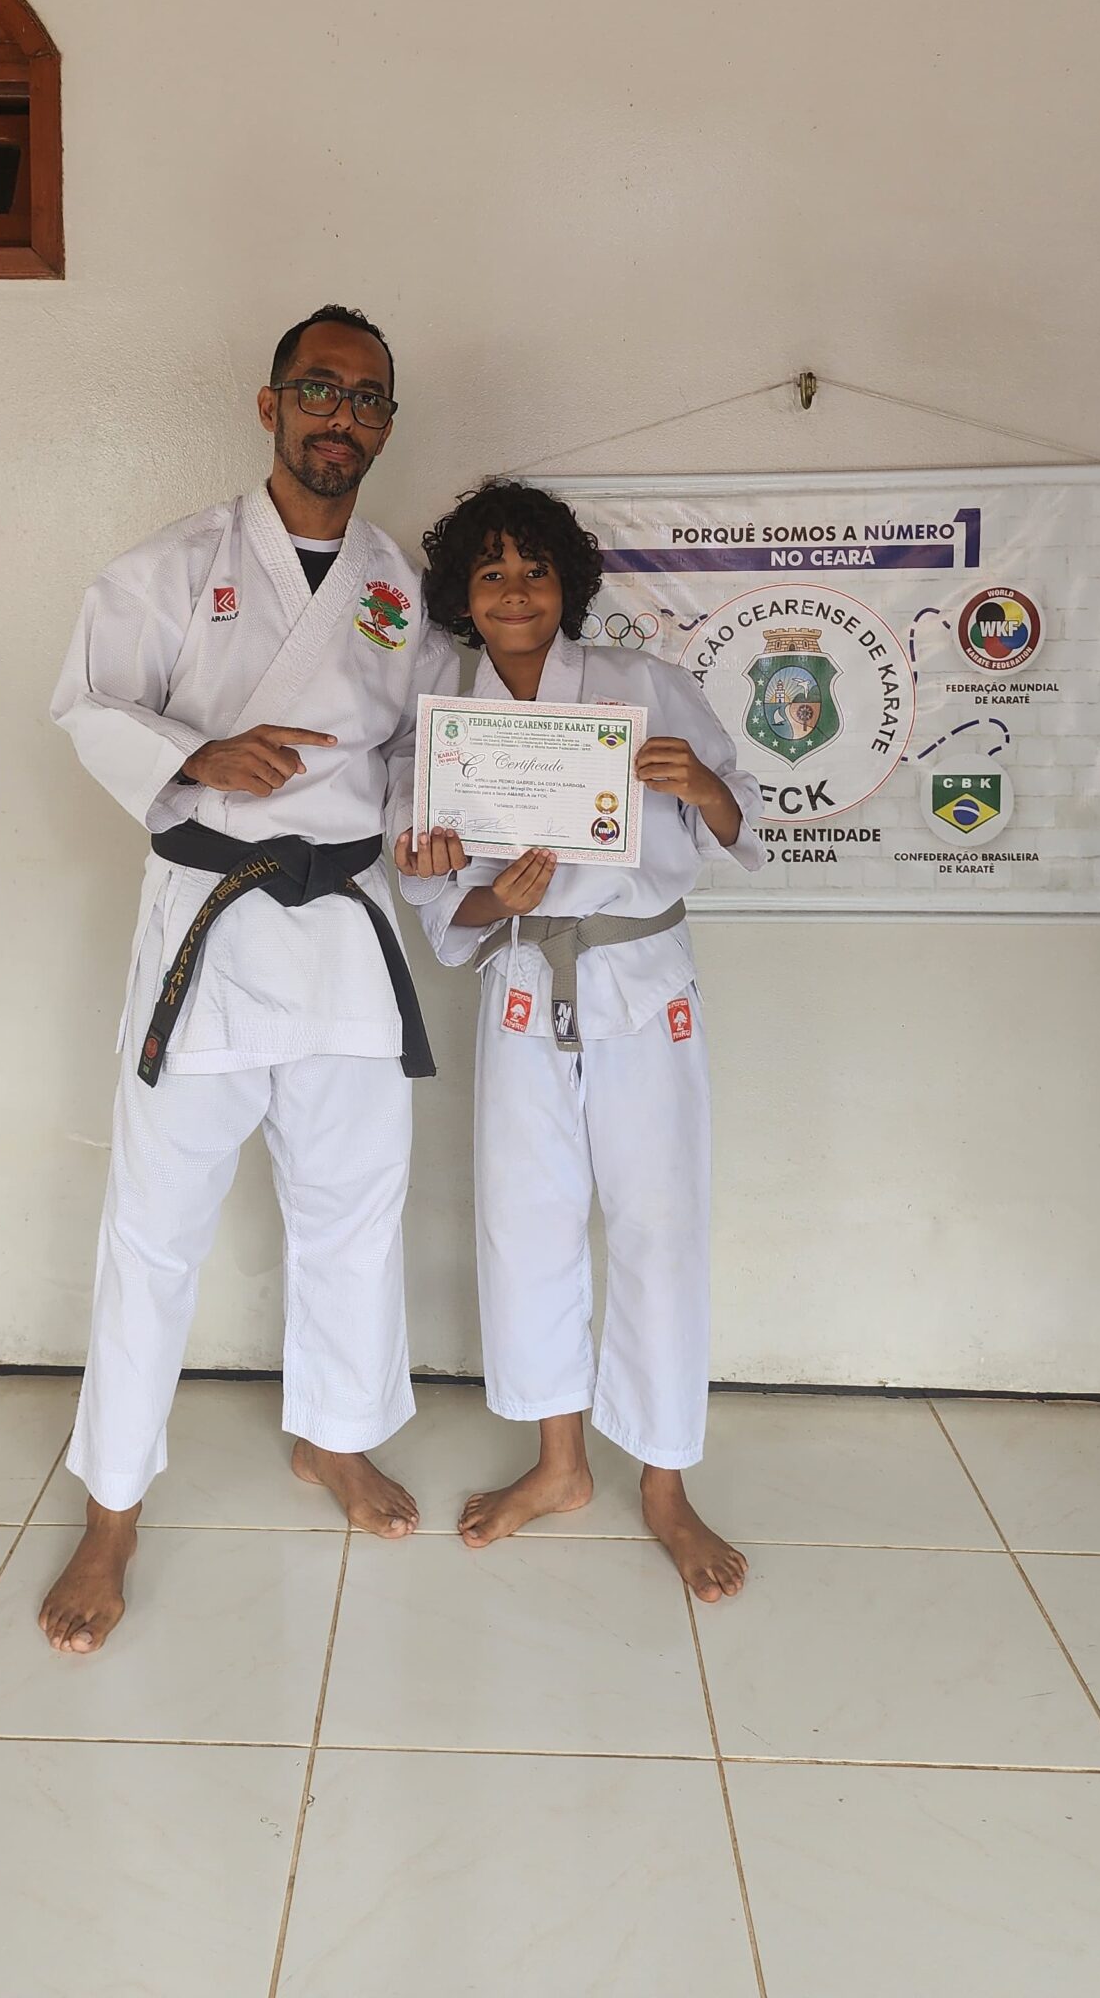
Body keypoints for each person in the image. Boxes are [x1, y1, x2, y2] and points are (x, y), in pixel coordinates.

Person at [40, 307, 461, 1653]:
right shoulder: (174, 566)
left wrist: (429, 818)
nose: (341, 415)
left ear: (385, 423)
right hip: (212, 929)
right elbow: (88, 702)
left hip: (344, 922)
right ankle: (113, 1505)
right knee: (153, 1227)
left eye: (366, 397)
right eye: (318, 389)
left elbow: (419, 746)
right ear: (270, 404)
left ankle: (333, 1436)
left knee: (353, 1207)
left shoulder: (398, 585)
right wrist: (196, 755)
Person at [399, 480, 765, 1603]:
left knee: (659, 1222)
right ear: (462, 596)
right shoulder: (442, 716)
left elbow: (742, 818)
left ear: (568, 582)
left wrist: (702, 783)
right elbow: (434, 893)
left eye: (534, 569)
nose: (514, 591)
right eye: (490, 573)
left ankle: (664, 1480)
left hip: (642, 979)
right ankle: (559, 1462)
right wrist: (478, 892)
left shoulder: (641, 686)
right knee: (527, 1222)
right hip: (522, 978)